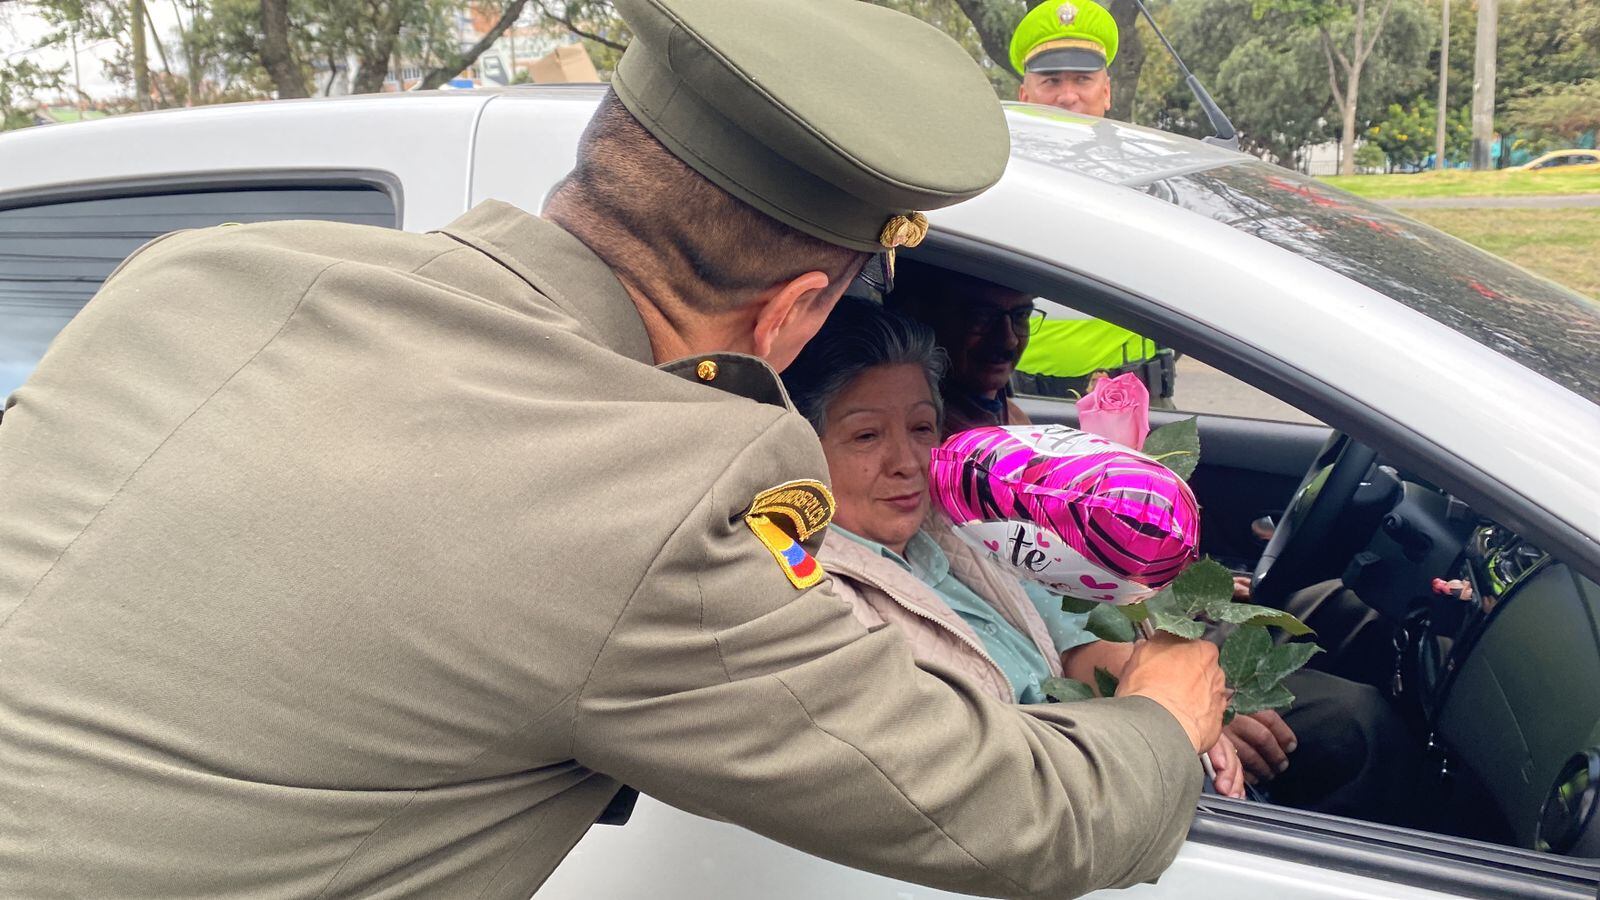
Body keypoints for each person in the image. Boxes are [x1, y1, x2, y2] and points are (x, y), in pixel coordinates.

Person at [0, 0, 1231, 896]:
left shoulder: (199, 273)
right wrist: (1169, 714)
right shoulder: (661, 504)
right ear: (795, 315)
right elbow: (1018, 818)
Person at [891, 264, 1421, 823]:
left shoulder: (998, 415)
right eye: (979, 317)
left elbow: (1064, 583)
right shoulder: (954, 469)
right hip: (1103, 670)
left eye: (1020, 316)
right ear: (922, 316)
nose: (1006, 339)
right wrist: (1182, 707)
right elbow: (1048, 609)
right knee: (1356, 723)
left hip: (1129, 627)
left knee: (1338, 614)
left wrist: (1179, 597)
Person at [783, 297, 1245, 801]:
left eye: (921, 428)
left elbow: (1075, 634)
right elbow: (973, 784)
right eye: (867, 436)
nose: (907, 463)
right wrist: (1154, 724)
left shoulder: (956, 519)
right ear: (800, 447)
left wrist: (1176, 703)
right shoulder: (809, 597)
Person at [1005, 0, 1177, 406]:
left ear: (1106, 91)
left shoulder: (1152, 184)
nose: (1068, 96)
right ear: (1025, 94)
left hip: (1135, 405)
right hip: (1023, 403)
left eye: (1082, 79)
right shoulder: (999, 184)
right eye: (1050, 81)